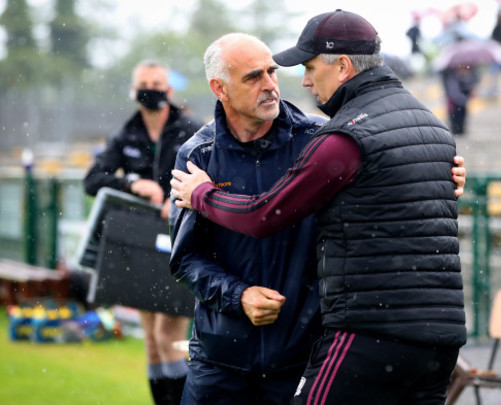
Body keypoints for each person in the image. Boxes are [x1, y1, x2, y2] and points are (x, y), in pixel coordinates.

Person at [171, 10, 466, 404]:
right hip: (222, 357)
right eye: (253, 77)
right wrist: (236, 296)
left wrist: (440, 176)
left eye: (272, 72)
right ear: (219, 89)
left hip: (305, 352)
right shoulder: (198, 156)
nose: (272, 85)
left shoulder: (322, 138)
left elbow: (265, 215)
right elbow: (185, 259)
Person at [83, 59, 202, 404]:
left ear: (170, 90)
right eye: (145, 83)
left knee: (170, 335)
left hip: (181, 241)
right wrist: (134, 184)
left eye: (158, 83)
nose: (152, 89)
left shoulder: (191, 130)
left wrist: (178, 199)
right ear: (135, 91)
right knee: (151, 339)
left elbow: (213, 176)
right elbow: (93, 179)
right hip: (141, 245)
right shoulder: (126, 134)